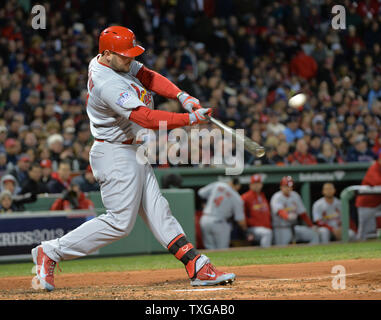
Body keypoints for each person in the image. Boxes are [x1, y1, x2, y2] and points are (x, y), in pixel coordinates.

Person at [31, 26, 234, 292]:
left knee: (159, 211)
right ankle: (50, 252)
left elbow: (147, 75)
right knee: (119, 223)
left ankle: (196, 265)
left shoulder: (114, 62)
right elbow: (145, 118)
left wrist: (181, 96)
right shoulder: (107, 82)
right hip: (114, 153)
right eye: (125, 55)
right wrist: (189, 119)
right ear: (106, 54)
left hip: (130, 150)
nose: (130, 59)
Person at [198, 178, 247, 250]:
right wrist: (246, 230)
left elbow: (200, 193)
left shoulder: (218, 184)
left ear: (230, 182)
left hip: (205, 220)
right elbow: (240, 220)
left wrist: (207, 202)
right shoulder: (236, 197)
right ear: (238, 186)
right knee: (222, 250)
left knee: (209, 249)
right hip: (219, 223)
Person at [270, 176, 320, 246]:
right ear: (281, 187)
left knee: (313, 234)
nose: (288, 188)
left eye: (290, 186)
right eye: (286, 186)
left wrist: (311, 225)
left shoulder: (295, 195)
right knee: (282, 248)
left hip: (294, 227)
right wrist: (287, 216)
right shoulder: (277, 197)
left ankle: (310, 254)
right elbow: (280, 211)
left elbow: (303, 213)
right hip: (281, 228)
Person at [355, 152, 381, 240]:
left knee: (373, 231)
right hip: (366, 204)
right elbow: (378, 183)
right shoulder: (374, 168)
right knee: (364, 232)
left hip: (377, 203)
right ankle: (358, 251)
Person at [241, 174, 272, 247]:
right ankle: (265, 255)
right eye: (254, 183)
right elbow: (241, 215)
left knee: (268, 232)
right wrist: (246, 231)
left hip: (265, 228)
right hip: (252, 229)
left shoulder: (262, 196)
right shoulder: (245, 197)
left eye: (258, 183)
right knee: (267, 233)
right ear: (250, 185)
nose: (256, 185)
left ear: (261, 184)